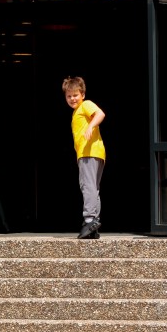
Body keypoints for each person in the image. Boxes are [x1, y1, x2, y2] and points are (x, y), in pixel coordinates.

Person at [62, 76, 106, 239]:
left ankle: (89, 219)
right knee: (93, 188)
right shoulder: (76, 112)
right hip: (92, 152)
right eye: (69, 96)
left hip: (89, 152)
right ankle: (94, 221)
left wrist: (90, 126)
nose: (72, 98)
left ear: (83, 94)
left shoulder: (85, 105)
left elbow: (100, 114)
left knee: (87, 186)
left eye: (75, 95)